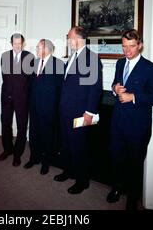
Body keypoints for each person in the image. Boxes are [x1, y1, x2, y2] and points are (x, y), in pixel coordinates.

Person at [106, 29, 153, 210]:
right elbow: (115, 83)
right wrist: (115, 88)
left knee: (135, 162)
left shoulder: (151, 69)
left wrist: (134, 97)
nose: (127, 51)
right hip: (117, 122)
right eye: (124, 46)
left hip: (138, 125)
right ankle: (117, 188)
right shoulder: (119, 63)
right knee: (116, 157)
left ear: (140, 45)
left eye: (131, 46)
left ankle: (133, 196)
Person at [54, 26, 102, 194]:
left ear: (79, 38)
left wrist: (89, 112)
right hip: (65, 110)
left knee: (79, 146)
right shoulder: (72, 57)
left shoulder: (92, 58)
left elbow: (95, 89)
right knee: (66, 144)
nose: (67, 41)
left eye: (69, 37)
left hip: (80, 112)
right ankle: (68, 171)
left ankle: (82, 181)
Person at [24, 39, 64, 175]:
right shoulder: (34, 63)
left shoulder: (58, 64)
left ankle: (46, 162)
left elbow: (61, 88)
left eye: (38, 48)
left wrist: (57, 107)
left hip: (49, 107)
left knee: (48, 134)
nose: (36, 50)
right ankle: (34, 158)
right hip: (34, 105)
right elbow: (30, 84)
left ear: (46, 49)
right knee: (33, 133)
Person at [0, 33, 34, 167]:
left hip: (22, 98)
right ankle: (7, 149)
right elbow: (5, 78)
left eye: (19, 43)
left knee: (22, 126)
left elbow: (30, 80)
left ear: (23, 43)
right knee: (5, 124)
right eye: (14, 43)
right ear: (11, 43)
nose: (17, 46)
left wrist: (26, 96)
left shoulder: (29, 57)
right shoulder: (5, 56)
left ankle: (17, 154)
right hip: (7, 97)